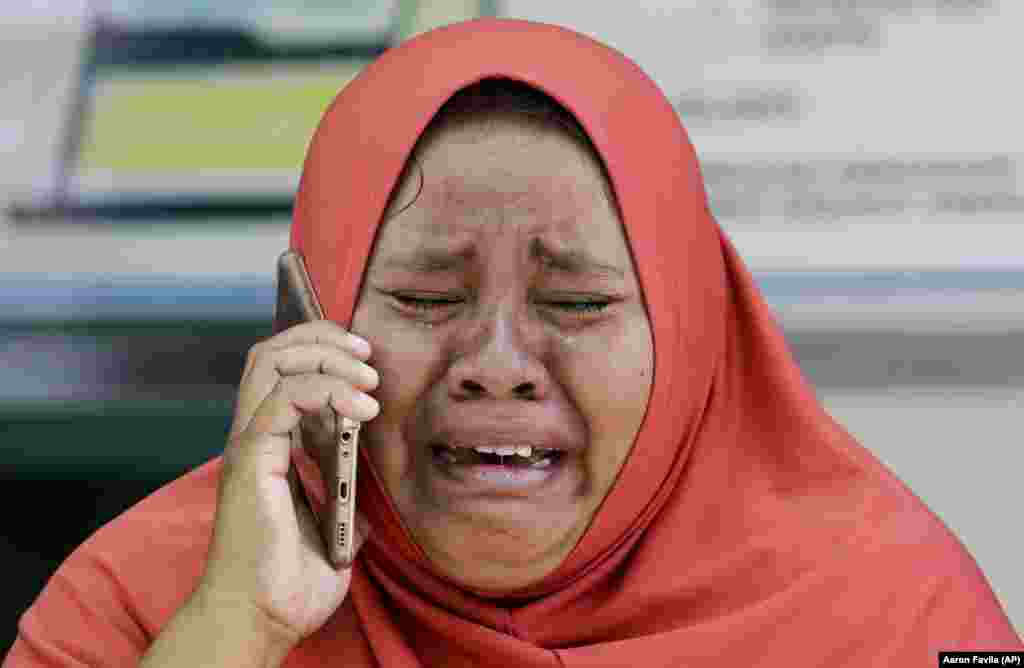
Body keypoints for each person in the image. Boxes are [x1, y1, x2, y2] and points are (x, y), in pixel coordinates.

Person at [5, 17, 1021, 668]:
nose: (494, 358)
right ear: (310, 318)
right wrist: (240, 623)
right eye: (421, 294)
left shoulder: (893, 614)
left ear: (697, 336)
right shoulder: (152, 596)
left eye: (575, 303)